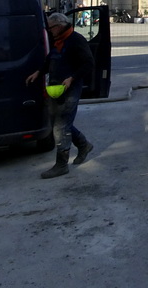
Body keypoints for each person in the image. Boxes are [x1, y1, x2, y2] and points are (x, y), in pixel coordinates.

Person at [27, 12, 95, 179]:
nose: (50, 31)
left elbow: (89, 63)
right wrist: (39, 72)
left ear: (59, 26)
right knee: (59, 123)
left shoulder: (76, 40)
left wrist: (72, 78)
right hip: (55, 87)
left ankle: (61, 164)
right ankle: (83, 144)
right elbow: (51, 59)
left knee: (61, 125)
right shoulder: (59, 41)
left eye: (51, 28)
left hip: (70, 88)